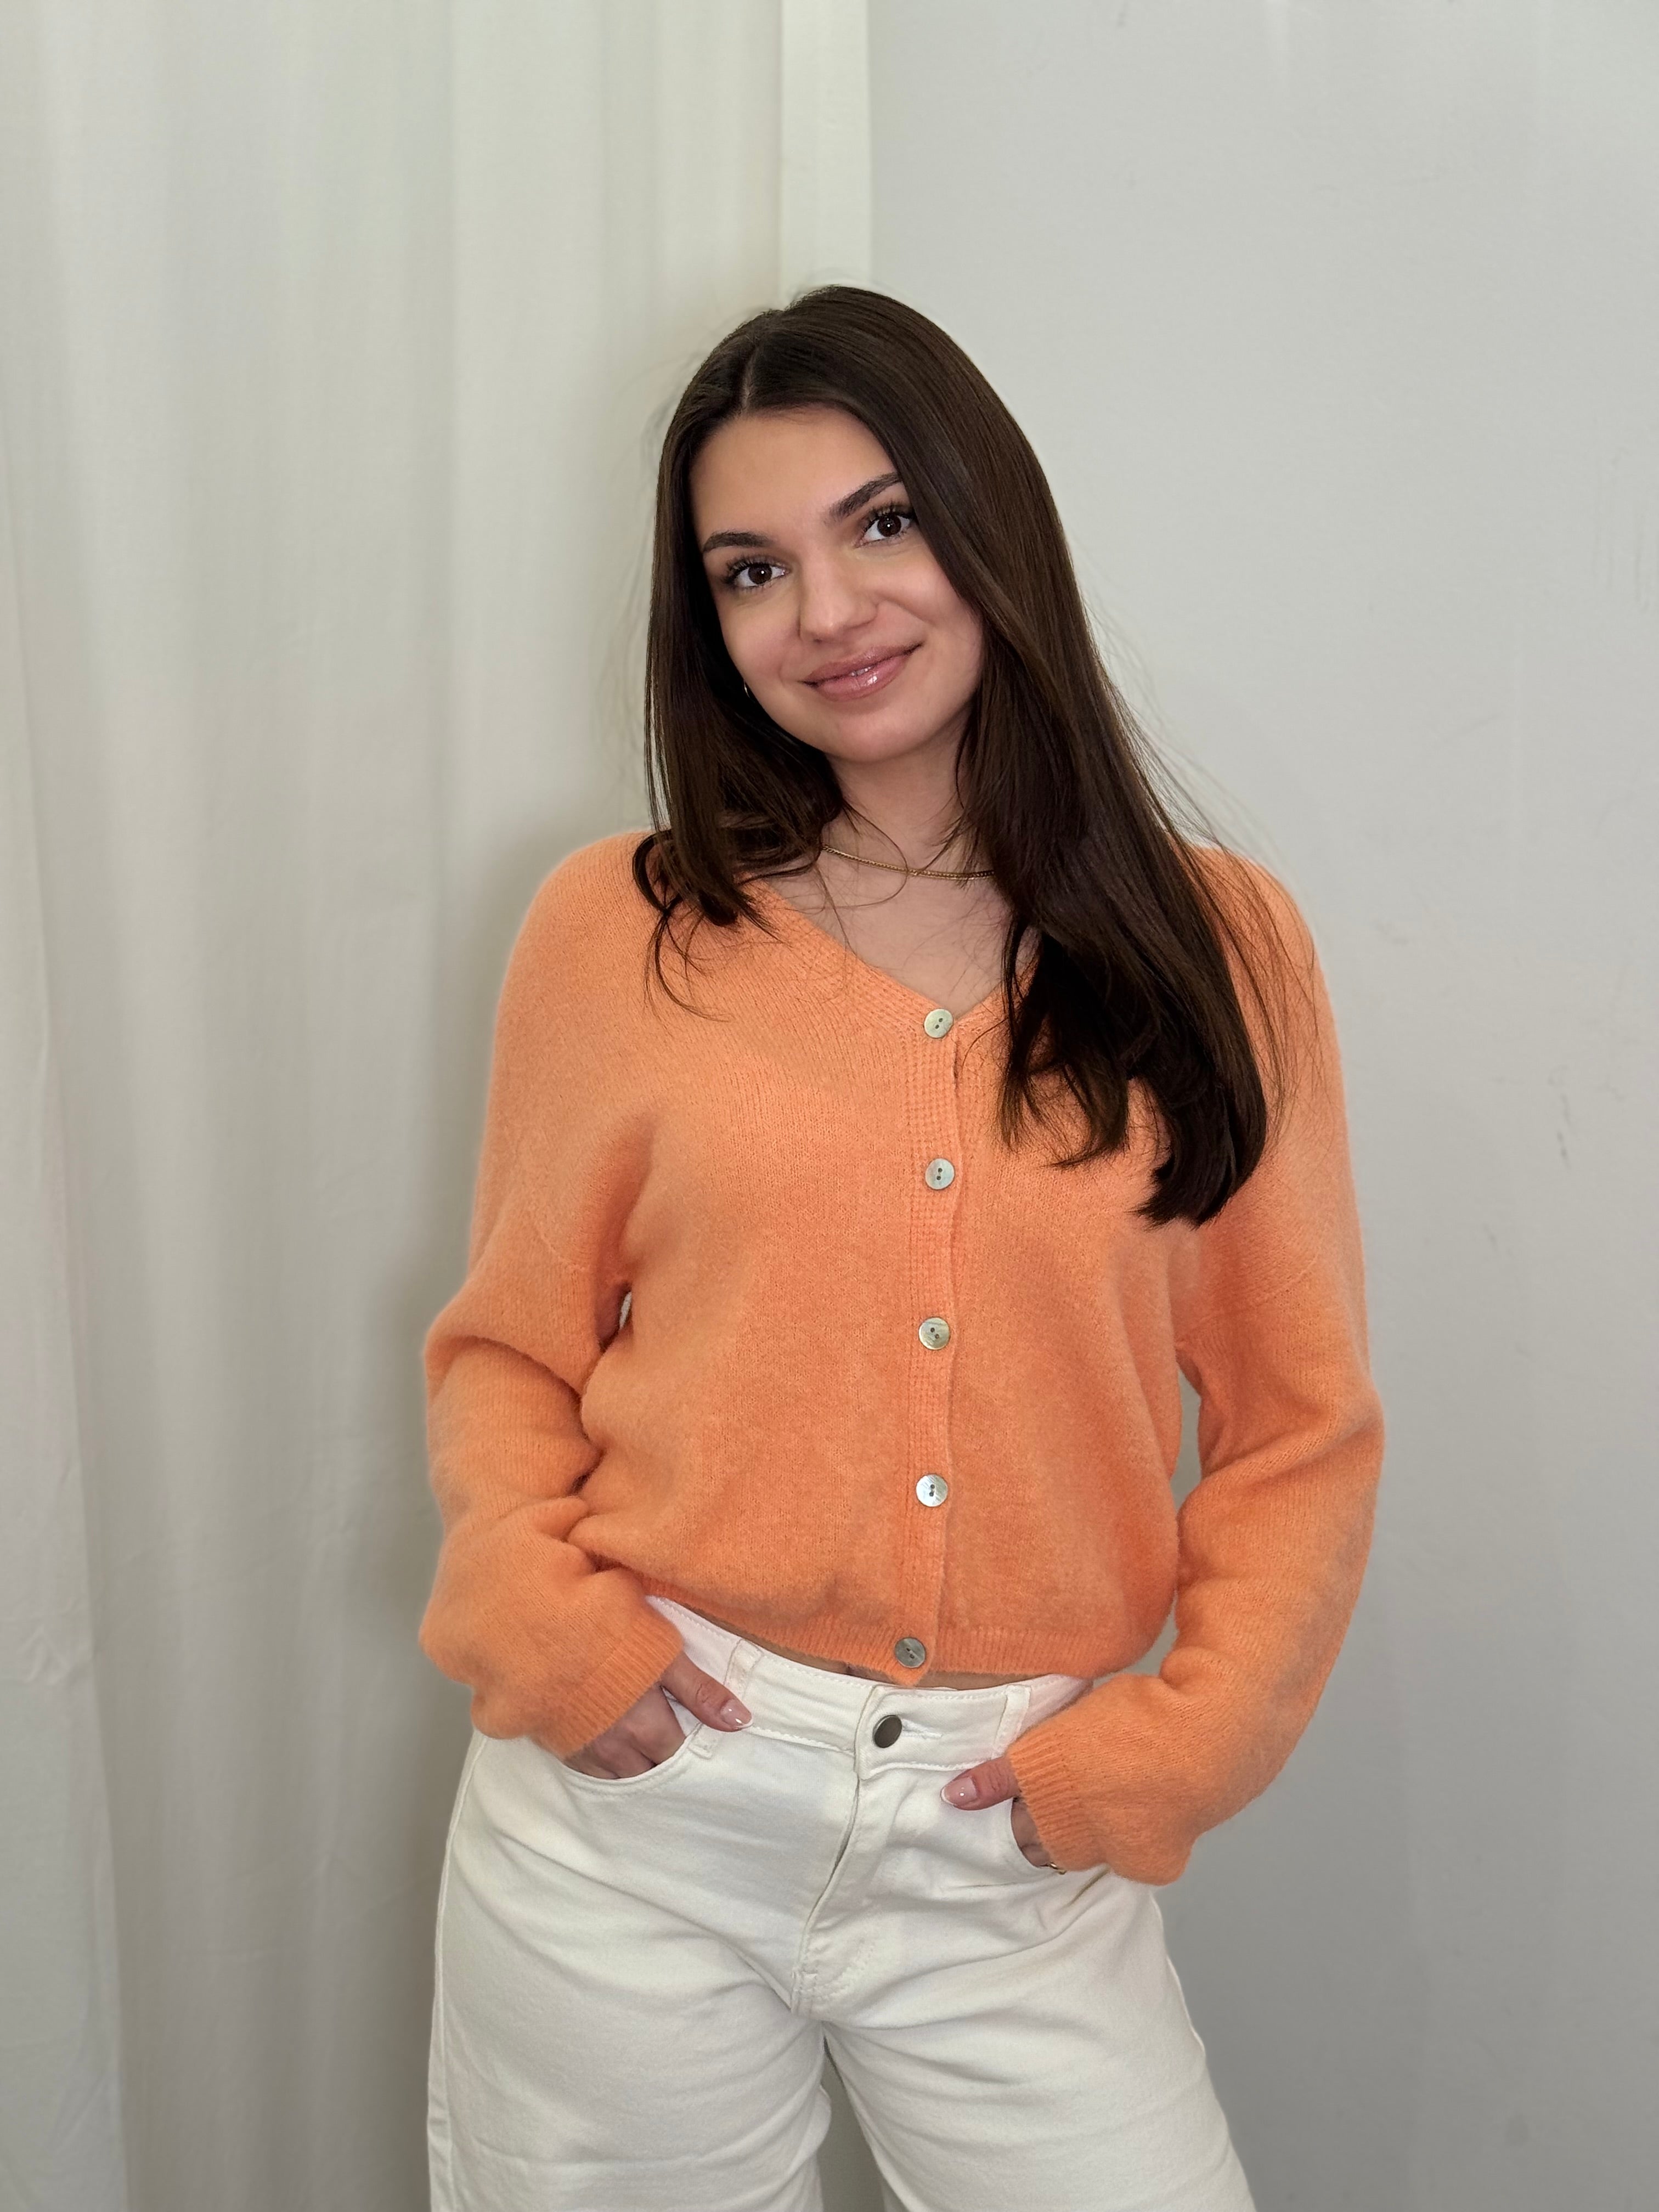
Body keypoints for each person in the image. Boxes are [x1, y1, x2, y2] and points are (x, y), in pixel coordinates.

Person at [417, 285, 1385, 2212]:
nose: (827, 611)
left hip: (1009, 1836)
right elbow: (511, 1350)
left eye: (881, 524)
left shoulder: (1223, 950)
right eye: (752, 570)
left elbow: (1300, 1427)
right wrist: (548, 1629)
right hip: (640, 1812)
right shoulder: (617, 931)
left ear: (987, 520)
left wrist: (1175, 1754)